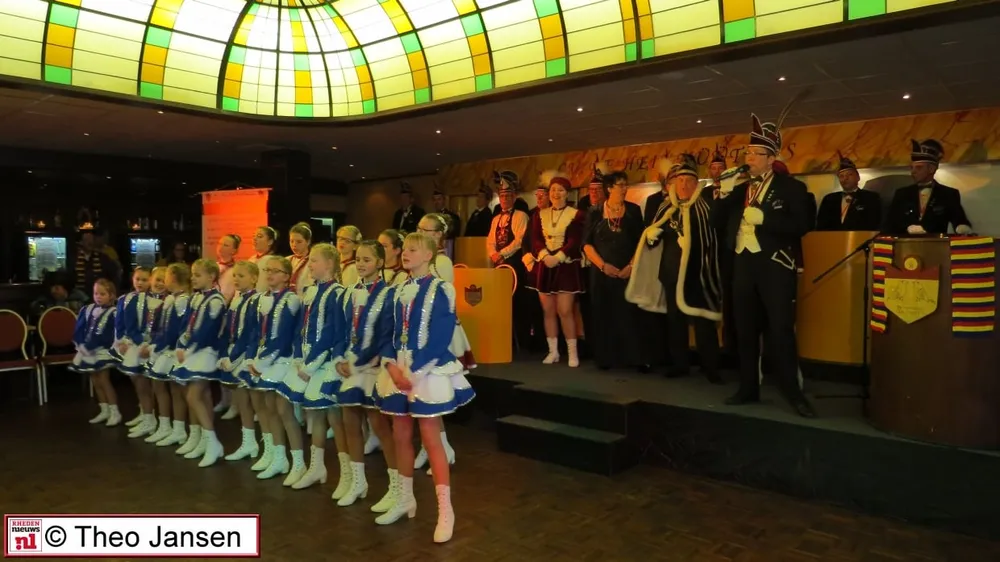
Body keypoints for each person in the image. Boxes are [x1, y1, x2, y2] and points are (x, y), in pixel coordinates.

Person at [712, 111, 816, 418]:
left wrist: (766, 219)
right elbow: (716, 222)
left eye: (756, 153)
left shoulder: (791, 188)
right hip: (743, 267)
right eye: (748, 152)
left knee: (781, 330)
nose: (750, 158)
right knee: (744, 330)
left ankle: (793, 392)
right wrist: (724, 194)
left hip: (774, 268)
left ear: (771, 159)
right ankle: (748, 388)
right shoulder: (740, 189)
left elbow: (802, 225)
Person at [376, 232, 475, 543]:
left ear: (429, 255)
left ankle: (445, 511)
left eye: (413, 249)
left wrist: (414, 371)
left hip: (427, 371)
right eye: (404, 249)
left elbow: (440, 336)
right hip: (399, 371)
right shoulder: (396, 290)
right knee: (400, 435)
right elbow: (386, 333)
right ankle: (405, 499)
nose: (405, 253)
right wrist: (392, 366)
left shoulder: (441, 289)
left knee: (431, 440)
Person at [633, 155, 723, 383]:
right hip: (672, 275)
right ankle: (679, 364)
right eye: (680, 180)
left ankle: (711, 368)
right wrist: (651, 236)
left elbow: (715, 238)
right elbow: (653, 238)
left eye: (689, 181)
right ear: (673, 183)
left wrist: (693, 243)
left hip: (699, 274)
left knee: (703, 323)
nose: (684, 185)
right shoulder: (666, 207)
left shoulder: (707, 207)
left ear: (696, 184)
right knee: (675, 323)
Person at [334, 241, 400, 506]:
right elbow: (341, 330)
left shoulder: (388, 294)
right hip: (350, 364)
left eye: (367, 260)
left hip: (372, 367)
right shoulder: (349, 293)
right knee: (350, 421)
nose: (360, 264)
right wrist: (339, 358)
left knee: (380, 426)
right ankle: (358, 482)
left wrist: (359, 364)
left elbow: (385, 336)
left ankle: (397, 487)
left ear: (380, 263)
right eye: (358, 259)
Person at [281, 243, 349, 491]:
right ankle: (315, 466)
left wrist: (311, 365)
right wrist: (299, 356)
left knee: (335, 418)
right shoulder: (311, 292)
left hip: (326, 362)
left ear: (329, 264)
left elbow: (331, 333)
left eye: (314, 260)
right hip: (308, 361)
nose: (309, 265)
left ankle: (348, 474)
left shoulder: (337, 293)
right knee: (314, 414)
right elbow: (301, 328)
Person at [582, 171, 645, 370]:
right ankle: (605, 358)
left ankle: (634, 358)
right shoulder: (595, 212)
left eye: (626, 185)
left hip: (628, 272)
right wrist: (602, 265)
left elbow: (641, 243)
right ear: (609, 188)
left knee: (629, 314)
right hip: (602, 273)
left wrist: (631, 266)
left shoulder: (633, 210)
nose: (625, 189)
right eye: (620, 185)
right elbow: (586, 245)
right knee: (603, 314)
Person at [248, 256, 302, 481]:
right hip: (265, 358)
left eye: (275, 271)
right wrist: (252, 358)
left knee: (284, 411)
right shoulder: (263, 299)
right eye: (267, 270)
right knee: (269, 408)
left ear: (287, 276)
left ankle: (298, 462)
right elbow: (255, 332)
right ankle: (277, 455)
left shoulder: (291, 300)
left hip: (282, 360)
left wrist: (263, 362)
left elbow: (284, 336)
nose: (269, 274)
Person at [172, 259, 228, 467]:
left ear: (211, 277)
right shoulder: (196, 298)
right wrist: (180, 344)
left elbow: (207, 331)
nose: (193, 278)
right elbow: (186, 324)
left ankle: (213, 442)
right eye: (192, 275)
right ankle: (200, 440)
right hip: (192, 350)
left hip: (206, 352)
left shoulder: (216, 300)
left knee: (193, 396)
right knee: (202, 396)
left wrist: (189, 348)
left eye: (198, 275)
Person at [527, 173, 586, 367]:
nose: (556, 193)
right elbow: (535, 239)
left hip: (566, 266)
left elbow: (575, 240)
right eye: (553, 190)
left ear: (567, 193)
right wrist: (545, 256)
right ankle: (553, 352)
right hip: (545, 265)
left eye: (560, 190)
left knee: (565, 310)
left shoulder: (576, 214)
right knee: (548, 311)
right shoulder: (539, 215)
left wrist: (558, 257)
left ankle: (572, 353)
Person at [217, 260, 262, 463]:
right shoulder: (237, 300)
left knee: (257, 404)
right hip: (235, 351)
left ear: (254, 278)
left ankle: (267, 446)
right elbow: (230, 330)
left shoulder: (255, 301)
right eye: (234, 275)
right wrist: (224, 353)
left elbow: (251, 332)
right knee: (243, 400)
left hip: (247, 355)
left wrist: (235, 356)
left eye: (241, 276)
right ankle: (248, 441)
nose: (236, 279)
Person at [144, 266, 192, 447]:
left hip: (173, 351)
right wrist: (155, 343)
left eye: (167, 277)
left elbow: (175, 331)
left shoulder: (182, 301)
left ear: (173, 278)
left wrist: (157, 346)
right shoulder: (172, 299)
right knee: (163, 387)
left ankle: (179, 429)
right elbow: (162, 327)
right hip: (165, 347)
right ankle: (165, 426)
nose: (164, 281)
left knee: (177, 391)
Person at [884, 139, 972, 235]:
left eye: (919, 167)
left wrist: (962, 227)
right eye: (911, 168)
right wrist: (907, 228)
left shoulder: (948, 194)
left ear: (931, 169)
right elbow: (889, 225)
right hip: (906, 243)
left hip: (936, 243)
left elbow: (960, 220)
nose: (913, 172)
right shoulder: (902, 194)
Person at [113, 267, 158, 437]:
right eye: (137, 279)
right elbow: (120, 323)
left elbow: (152, 325)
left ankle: (150, 417)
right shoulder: (125, 299)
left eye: (144, 280)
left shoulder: (154, 300)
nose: (140, 283)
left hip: (146, 345)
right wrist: (121, 341)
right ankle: (144, 412)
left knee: (144, 382)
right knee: (136, 380)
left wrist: (144, 343)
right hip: (130, 344)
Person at [487, 180, 532, 353]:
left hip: (515, 263)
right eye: (502, 196)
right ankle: (504, 338)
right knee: (501, 302)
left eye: (508, 196)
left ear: (514, 197)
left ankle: (521, 341)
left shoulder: (521, 216)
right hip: (499, 264)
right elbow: (490, 241)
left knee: (517, 301)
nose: (504, 199)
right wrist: (493, 254)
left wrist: (502, 254)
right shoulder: (495, 219)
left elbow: (519, 241)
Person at [71, 278, 119, 426]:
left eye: (102, 294)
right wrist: (81, 345)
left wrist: (92, 345)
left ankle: (115, 411)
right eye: (96, 293)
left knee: (104, 380)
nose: (98, 297)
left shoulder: (113, 313)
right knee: (95, 380)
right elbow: (79, 329)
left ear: (111, 295)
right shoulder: (88, 310)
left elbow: (108, 335)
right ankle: (104, 409)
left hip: (102, 350)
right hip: (87, 350)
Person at [816, 154, 882, 231]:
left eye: (849, 175)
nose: (845, 178)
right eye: (841, 176)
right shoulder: (829, 199)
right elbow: (820, 226)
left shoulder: (871, 198)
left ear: (858, 177)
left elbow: (874, 224)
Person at [214, 234, 241, 419]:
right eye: (220, 243)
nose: (221, 247)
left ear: (234, 250)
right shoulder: (214, 267)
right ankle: (224, 399)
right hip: (212, 316)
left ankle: (234, 403)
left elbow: (232, 294)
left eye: (226, 244)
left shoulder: (235, 270)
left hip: (227, 315)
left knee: (228, 356)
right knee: (218, 358)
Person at [249, 226, 278, 293]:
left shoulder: (272, 260)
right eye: (254, 236)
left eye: (259, 236)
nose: (254, 239)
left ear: (270, 241)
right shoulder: (251, 259)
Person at [288, 222, 314, 296]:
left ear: (308, 242)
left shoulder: (313, 261)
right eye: (291, 241)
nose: (294, 245)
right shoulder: (287, 260)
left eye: (299, 242)